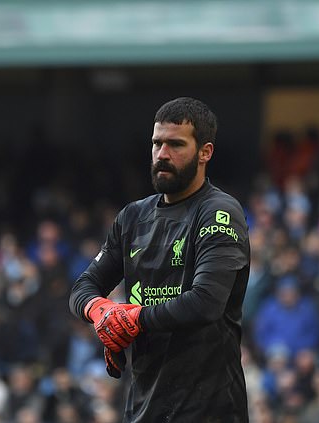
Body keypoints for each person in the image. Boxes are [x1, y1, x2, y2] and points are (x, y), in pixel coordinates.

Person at [69, 97, 251, 422]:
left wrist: (133, 319)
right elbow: (84, 286)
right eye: (157, 143)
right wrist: (103, 312)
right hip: (144, 408)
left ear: (205, 152)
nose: (162, 154)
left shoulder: (218, 212)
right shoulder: (133, 217)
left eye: (176, 145)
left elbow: (206, 302)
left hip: (208, 410)